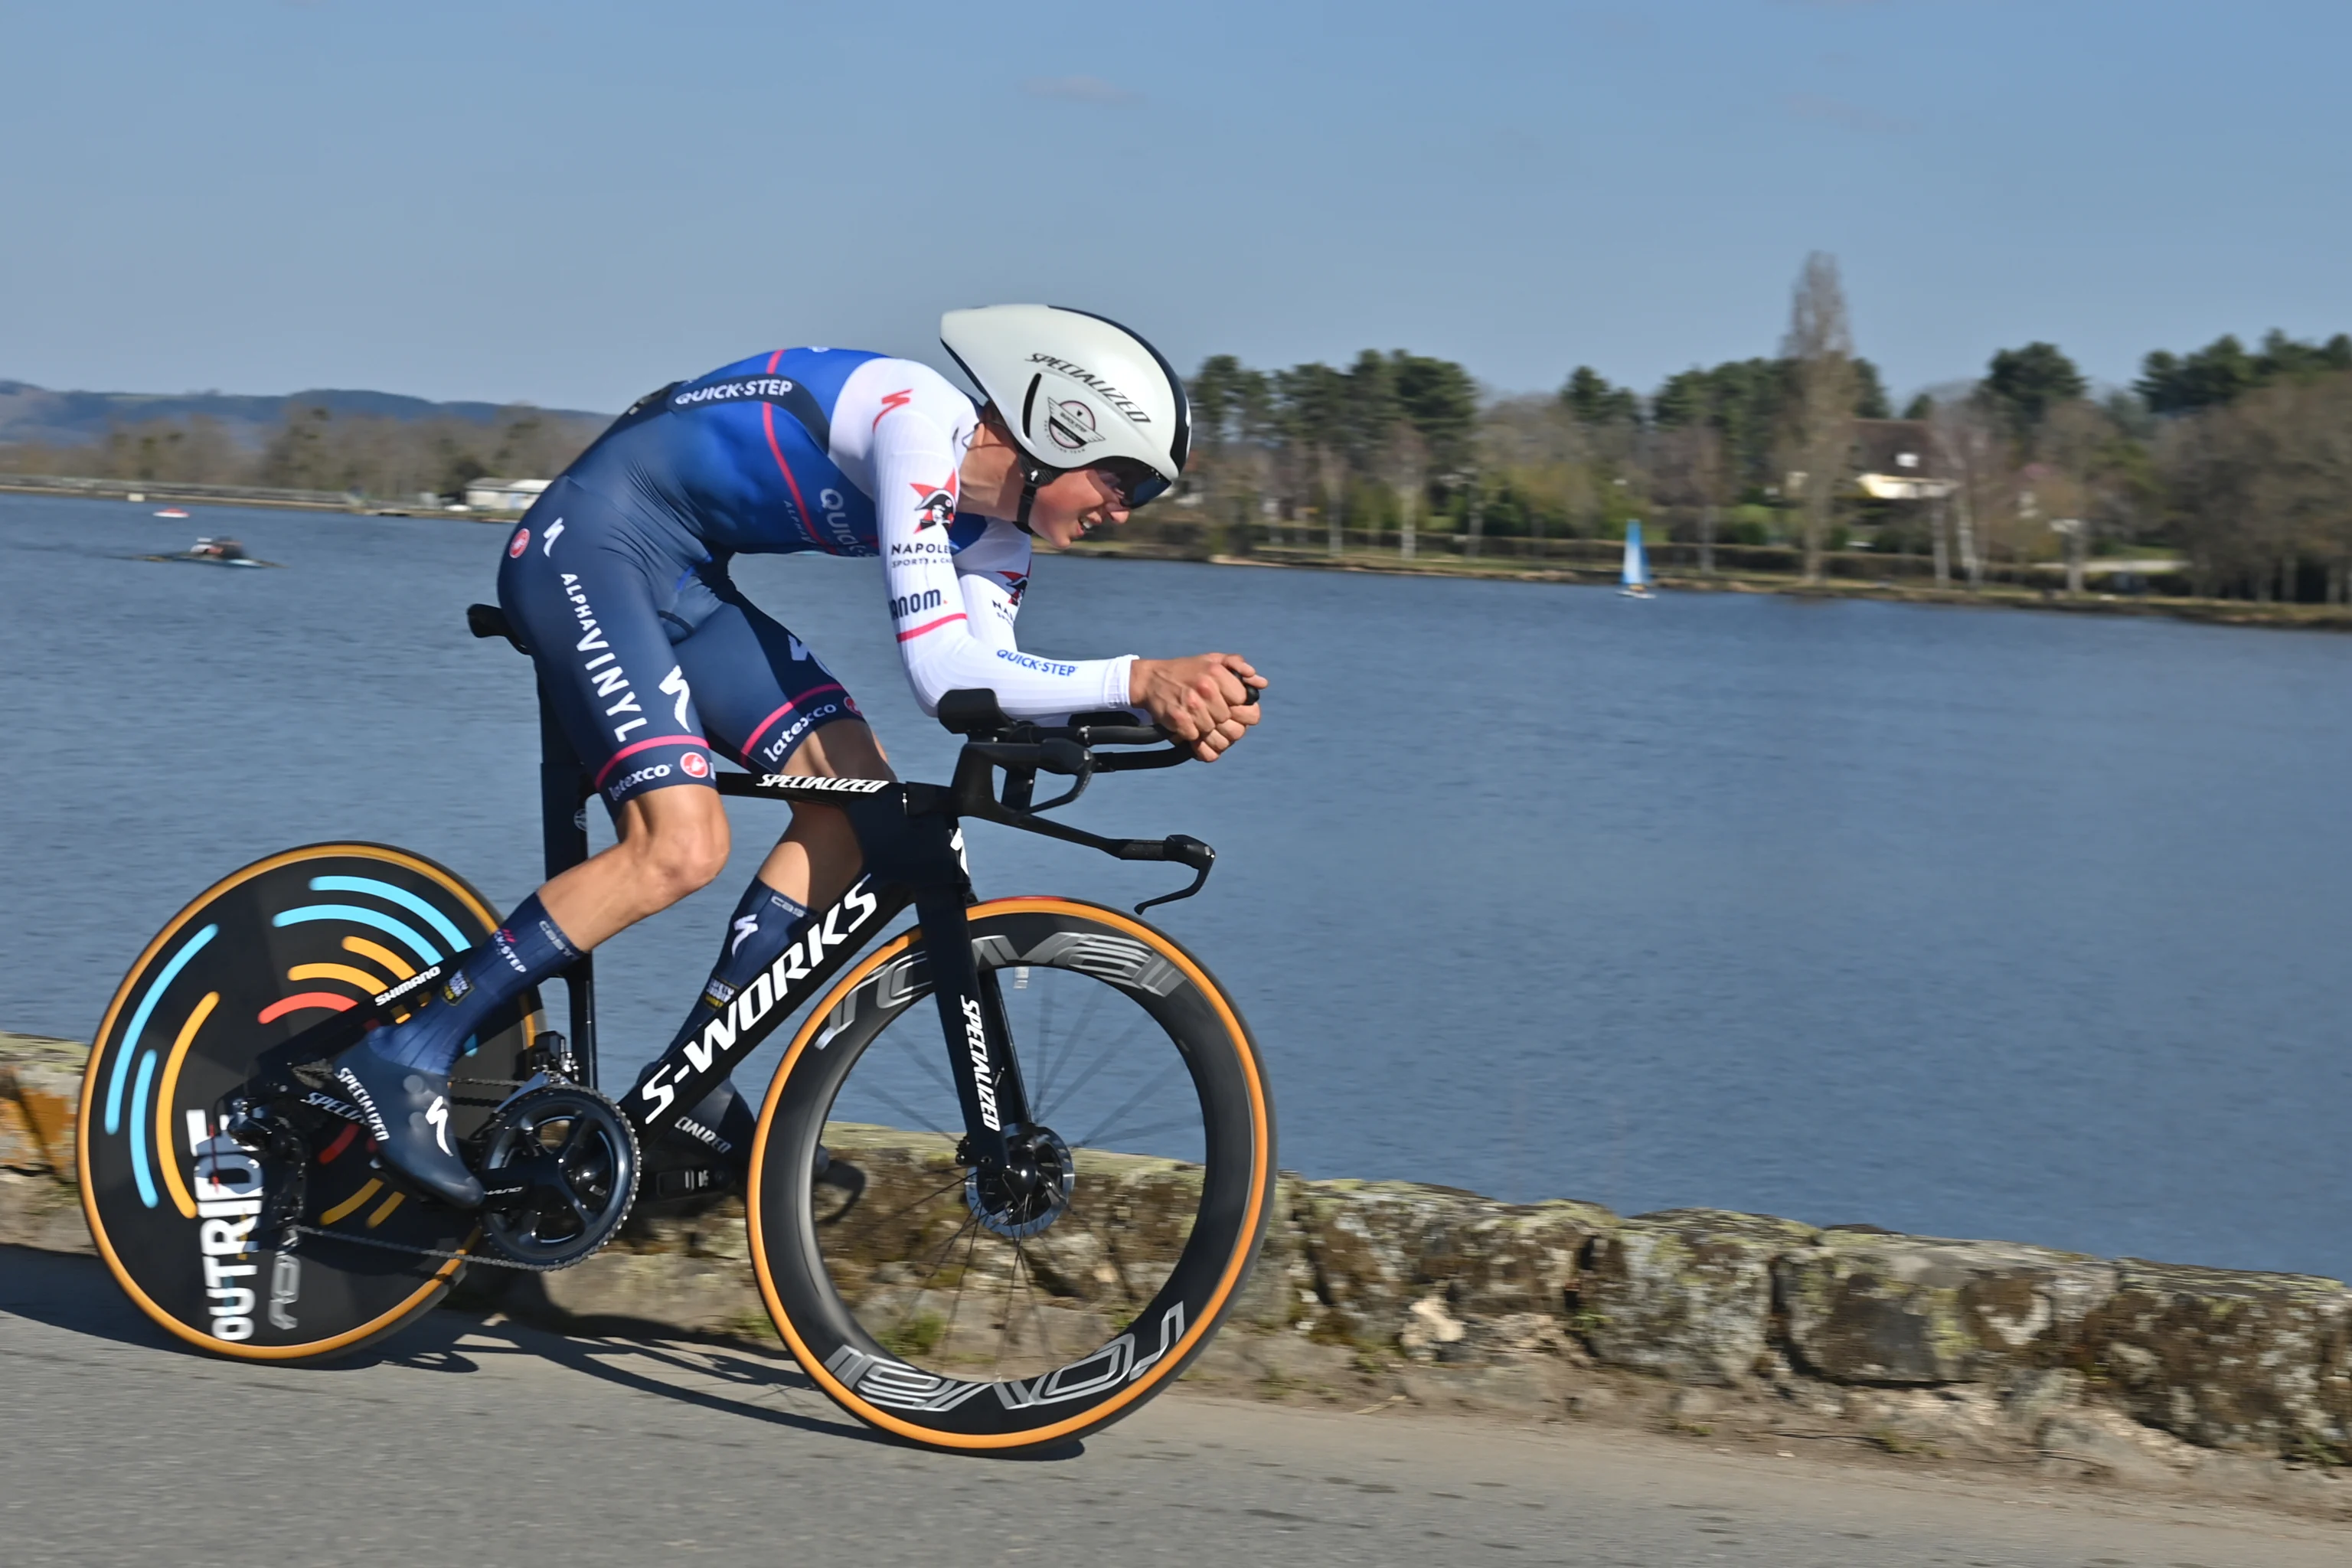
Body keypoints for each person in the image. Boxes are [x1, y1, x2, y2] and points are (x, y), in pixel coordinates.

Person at [332, 305, 1266, 1207]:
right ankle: (407, 1049)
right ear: (1062, 428)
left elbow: (988, 679)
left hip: (685, 577)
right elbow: (942, 673)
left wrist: (1155, 709)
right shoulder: (916, 423)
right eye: (1125, 481)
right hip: (593, 544)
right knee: (680, 845)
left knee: (862, 805)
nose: (1126, 512)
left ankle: (693, 1080)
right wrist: (1140, 678)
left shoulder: (996, 535)